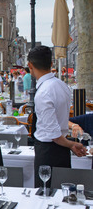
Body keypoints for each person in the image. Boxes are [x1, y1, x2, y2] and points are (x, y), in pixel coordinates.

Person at [27, 46, 87, 188]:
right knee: (62, 194)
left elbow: (53, 134)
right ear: (51, 63)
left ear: (30, 65)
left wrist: (71, 144)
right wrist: (69, 144)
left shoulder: (43, 93)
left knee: (45, 196)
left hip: (48, 152)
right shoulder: (62, 85)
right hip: (62, 150)